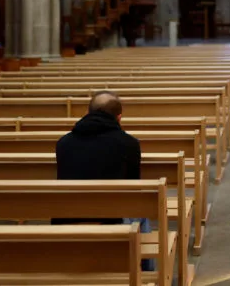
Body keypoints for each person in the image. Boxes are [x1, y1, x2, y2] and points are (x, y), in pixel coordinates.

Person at [53, 91, 154, 271]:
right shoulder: (129, 143)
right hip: (111, 219)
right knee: (142, 213)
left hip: (67, 217)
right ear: (119, 118)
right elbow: (133, 187)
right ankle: (145, 274)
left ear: (88, 112)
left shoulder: (63, 143)